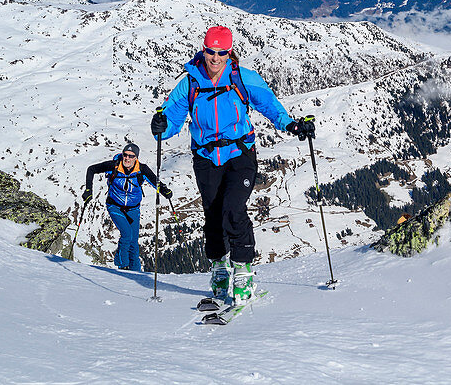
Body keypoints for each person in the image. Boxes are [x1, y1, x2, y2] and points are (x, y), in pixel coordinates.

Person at [150, 26, 311, 303]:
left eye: (221, 52)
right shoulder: (189, 82)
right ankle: (218, 265)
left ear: (229, 52)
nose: (215, 58)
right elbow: (171, 119)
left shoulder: (242, 77)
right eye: (210, 51)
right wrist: (160, 127)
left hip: (240, 153)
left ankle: (243, 270)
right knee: (212, 214)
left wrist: (291, 124)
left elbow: (270, 105)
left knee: (233, 209)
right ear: (203, 50)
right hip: (206, 157)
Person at [83, 143, 172, 272]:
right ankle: (122, 266)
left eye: (131, 156)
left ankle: (136, 272)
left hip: (133, 209)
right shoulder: (113, 166)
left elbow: (155, 181)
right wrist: (88, 190)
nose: (127, 158)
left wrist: (165, 190)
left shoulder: (142, 169)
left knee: (134, 243)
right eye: (125, 155)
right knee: (126, 234)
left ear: (136, 157)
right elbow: (91, 169)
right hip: (115, 206)